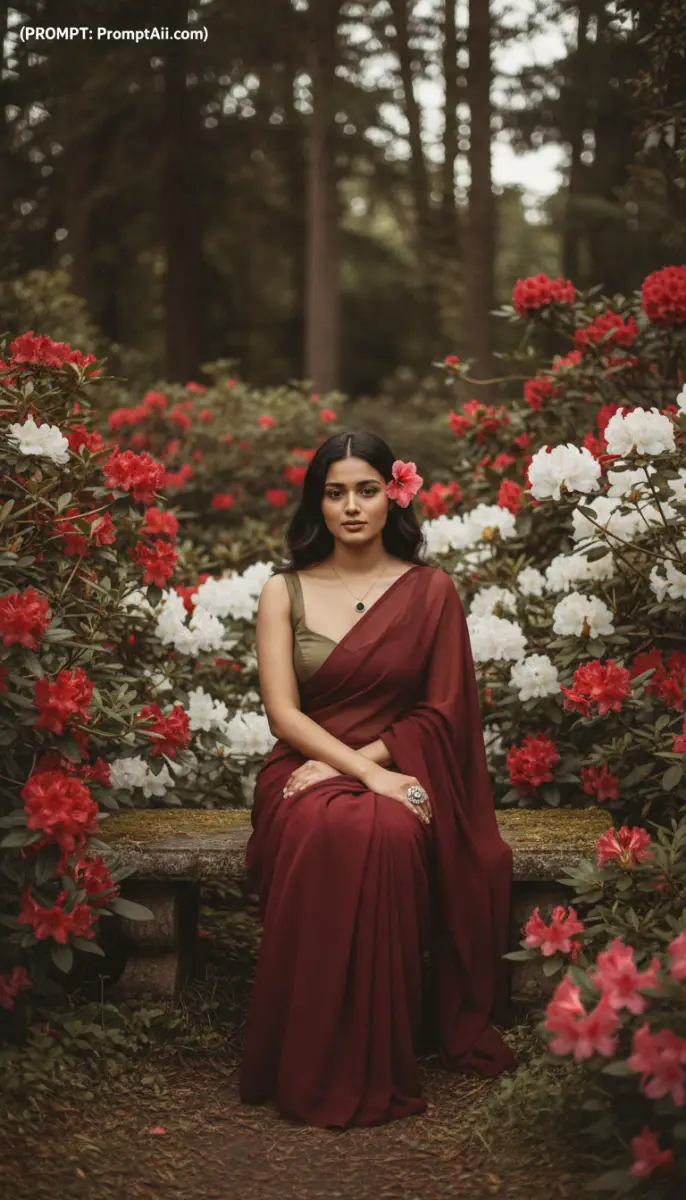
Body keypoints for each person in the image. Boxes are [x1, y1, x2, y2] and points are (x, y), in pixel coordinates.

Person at [238, 430, 515, 1128]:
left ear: (394, 496)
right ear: (318, 503)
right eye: (335, 493)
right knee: (329, 821)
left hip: (399, 765)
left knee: (389, 830)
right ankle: (300, 1055)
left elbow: (442, 710)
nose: (351, 506)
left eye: (366, 490)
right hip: (299, 772)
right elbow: (282, 712)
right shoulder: (284, 590)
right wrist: (349, 767)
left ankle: (377, 1056)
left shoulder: (430, 592)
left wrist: (368, 770)